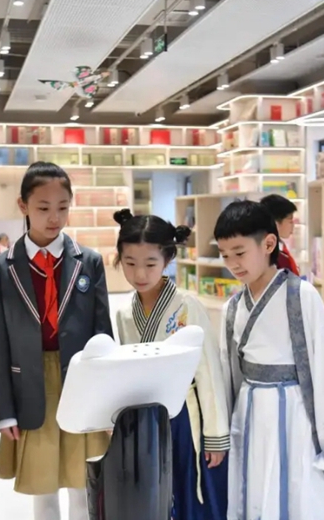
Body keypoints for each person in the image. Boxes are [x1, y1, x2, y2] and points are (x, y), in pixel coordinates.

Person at [215, 200, 324, 520]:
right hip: (249, 411)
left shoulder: (301, 296)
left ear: (268, 244)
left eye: (239, 253)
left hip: (294, 411)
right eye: (225, 256)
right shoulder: (233, 308)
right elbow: (228, 373)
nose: (233, 264)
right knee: (254, 488)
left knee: (297, 488)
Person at [0, 162, 112, 520]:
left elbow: (103, 336)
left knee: (81, 485)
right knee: (42, 489)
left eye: (62, 207)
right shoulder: (3, 267)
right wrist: (3, 411)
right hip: (29, 383)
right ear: (23, 205)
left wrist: (107, 402)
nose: (54, 217)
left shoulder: (89, 261)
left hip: (80, 382)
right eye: (43, 208)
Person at [112, 209, 229, 520]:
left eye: (150, 264)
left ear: (167, 260)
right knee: (153, 497)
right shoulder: (124, 314)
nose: (140, 273)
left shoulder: (187, 307)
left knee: (188, 491)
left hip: (185, 418)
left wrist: (215, 436)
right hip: (144, 419)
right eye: (130, 263)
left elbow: (209, 374)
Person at [259, 194, 300, 275]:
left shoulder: (279, 247)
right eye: (290, 221)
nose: (293, 225)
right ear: (275, 223)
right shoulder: (273, 257)